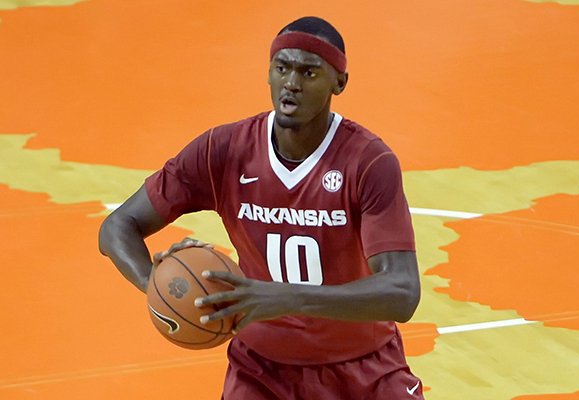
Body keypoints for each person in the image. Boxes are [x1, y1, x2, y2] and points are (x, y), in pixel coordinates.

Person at [99, 16, 424, 399]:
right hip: (262, 372)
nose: (292, 83)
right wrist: (157, 285)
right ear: (268, 72)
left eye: (309, 72)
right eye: (282, 67)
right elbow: (118, 226)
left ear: (339, 82)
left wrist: (289, 296)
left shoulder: (368, 162)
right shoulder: (223, 150)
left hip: (364, 369)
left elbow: (403, 292)